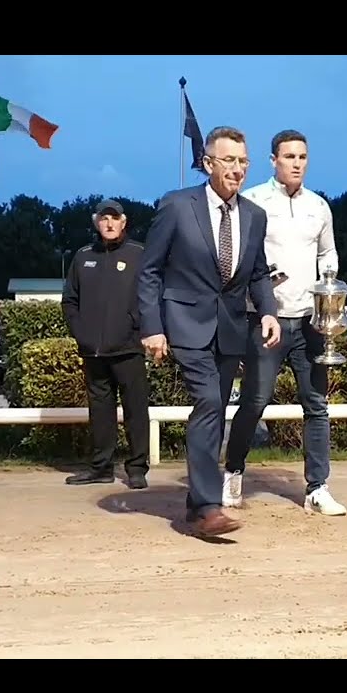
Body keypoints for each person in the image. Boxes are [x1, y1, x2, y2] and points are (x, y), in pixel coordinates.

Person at [137, 126, 280, 538]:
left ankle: (194, 504)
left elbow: (256, 273)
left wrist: (268, 312)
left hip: (230, 329)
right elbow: (149, 272)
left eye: (243, 161)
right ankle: (207, 507)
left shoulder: (255, 215)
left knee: (213, 413)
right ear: (207, 163)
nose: (237, 169)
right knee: (208, 405)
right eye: (229, 160)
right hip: (184, 324)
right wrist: (152, 327)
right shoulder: (177, 206)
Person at [222, 129, 347, 517]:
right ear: (273, 160)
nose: (297, 163)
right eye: (289, 156)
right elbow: (243, 256)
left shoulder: (319, 207)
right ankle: (233, 472)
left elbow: (328, 253)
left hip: (311, 323)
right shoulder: (254, 201)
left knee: (317, 405)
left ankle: (317, 488)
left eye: (302, 157)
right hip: (266, 322)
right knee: (255, 402)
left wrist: (327, 282)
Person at [60, 198, 150, 490]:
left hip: (128, 348)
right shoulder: (83, 256)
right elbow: (69, 301)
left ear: (124, 222)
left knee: (136, 410)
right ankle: (101, 467)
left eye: (114, 218)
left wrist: (140, 328)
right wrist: (81, 333)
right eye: (103, 218)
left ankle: (137, 468)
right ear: (96, 222)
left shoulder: (139, 253)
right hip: (93, 351)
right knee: (100, 412)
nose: (109, 223)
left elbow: (152, 295)